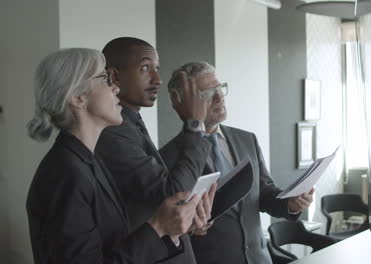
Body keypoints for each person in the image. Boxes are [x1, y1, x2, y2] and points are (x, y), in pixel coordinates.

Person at [26, 48, 201, 264]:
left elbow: (114, 242)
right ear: (78, 98)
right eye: (104, 79)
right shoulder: (66, 173)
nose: (115, 88)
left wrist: (170, 228)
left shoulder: (88, 161)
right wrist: (157, 229)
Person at [162, 61, 315, 264]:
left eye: (219, 88)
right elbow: (169, 230)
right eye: (207, 93)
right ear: (183, 103)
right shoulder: (167, 157)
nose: (219, 98)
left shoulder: (246, 139)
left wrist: (291, 203)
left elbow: (264, 192)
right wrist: (191, 229)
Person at [95, 37, 215, 264]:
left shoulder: (131, 122)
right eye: (145, 68)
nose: (158, 79)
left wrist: (188, 218)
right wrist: (195, 125)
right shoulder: (112, 131)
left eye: (157, 69)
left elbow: (156, 203)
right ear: (114, 76)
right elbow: (172, 193)